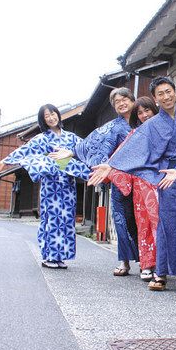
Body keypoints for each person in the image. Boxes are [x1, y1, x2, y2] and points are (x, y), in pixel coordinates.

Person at [88, 76, 176, 292]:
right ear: (156, 99)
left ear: (175, 92)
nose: (166, 96)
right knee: (165, 225)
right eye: (161, 94)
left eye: (169, 91)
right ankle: (161, 273)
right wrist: (111, 166)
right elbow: (134, 147)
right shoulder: (152, 126)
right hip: (166, 178)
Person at [0, 104, 90, 269]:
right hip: (51, 185)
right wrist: (4, 161)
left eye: (52, 113)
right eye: (46, 116)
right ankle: (49, 256)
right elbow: (25, 151)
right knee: (52, 219)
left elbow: (86, 148)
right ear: (43, 120)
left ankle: (60, 256)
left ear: (58, 114)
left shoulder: (71, 137)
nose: (51, 118)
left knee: (66, 220)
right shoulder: (42, 139)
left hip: (68, 185)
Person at [50, 88, 139, 277]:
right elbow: (92, 142)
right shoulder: (112, 127)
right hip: (119, 178)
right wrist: (72, 152)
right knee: (121, 220)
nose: (121, 104)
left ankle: (148, 263)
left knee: (141, 221)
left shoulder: (144, 119)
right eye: (117, 102)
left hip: (142, 179)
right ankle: (124, 262)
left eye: (125, 99)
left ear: (133, 100)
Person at [109, 96, 160, 281]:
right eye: (140, 112)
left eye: (147, 110)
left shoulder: (166, 129)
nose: (145, 115)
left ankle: (161, 264)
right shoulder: (134, 134)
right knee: (144, 224)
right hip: (141, 184)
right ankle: (147, 264)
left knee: (161, 223)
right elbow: (120, 157)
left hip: (163, 181)